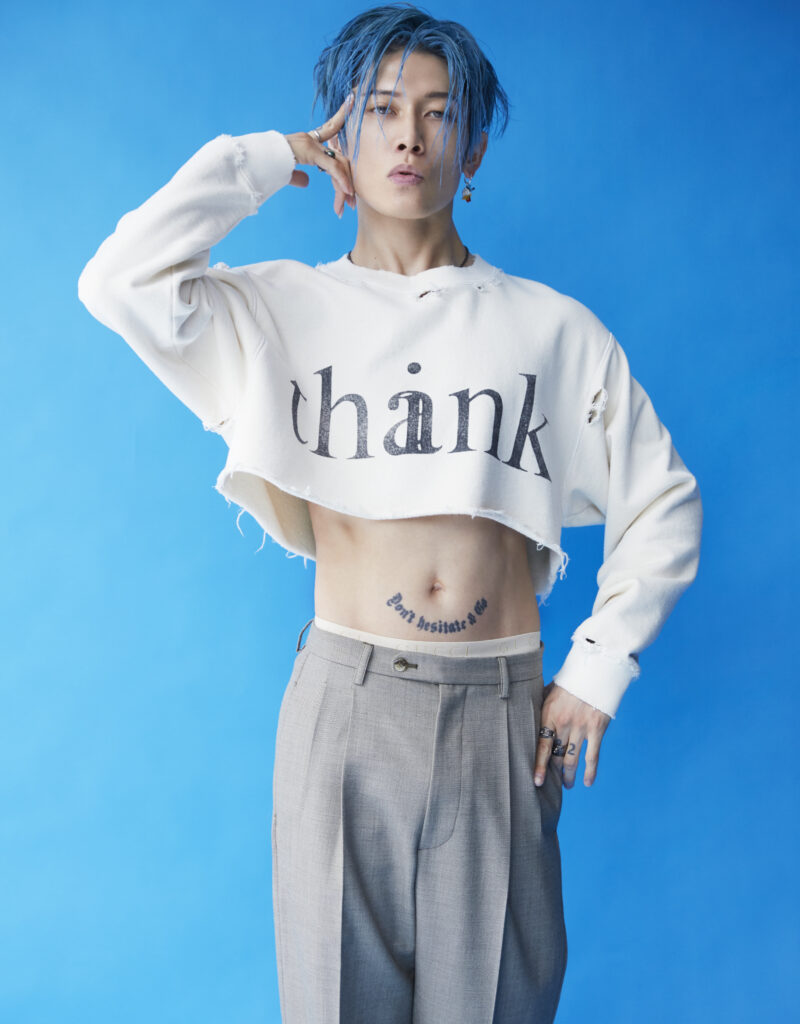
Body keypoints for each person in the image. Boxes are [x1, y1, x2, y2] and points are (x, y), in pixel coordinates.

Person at [77, 4, 703, 1021]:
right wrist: (265, 158)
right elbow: (118, 282)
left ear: (472, 149)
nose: (408, 135)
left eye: (438, 112)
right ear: (344, 133)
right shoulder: (277, 308)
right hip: (347, 706)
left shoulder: (551, 327)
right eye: (378, 109)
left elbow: (663, 499)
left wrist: (598, 667)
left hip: (502, 714)